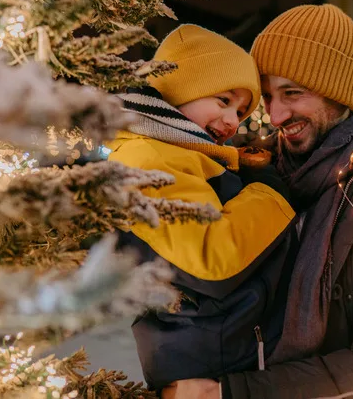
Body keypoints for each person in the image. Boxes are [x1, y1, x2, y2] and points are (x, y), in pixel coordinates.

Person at [168, 4, 353, 399]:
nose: (275, 116)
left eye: (292, 93)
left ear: (336, 91)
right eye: (267, 96)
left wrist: (229, 393)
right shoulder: (254, 169)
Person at [106, 24, 299, 392]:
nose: (233, 121)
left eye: (240, 112)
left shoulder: (181, 154)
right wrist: (270, 192)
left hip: (216, 349)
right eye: (223, 101)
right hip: (207, 362)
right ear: (180, 89)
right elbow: (211, 258)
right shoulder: (148, 158)